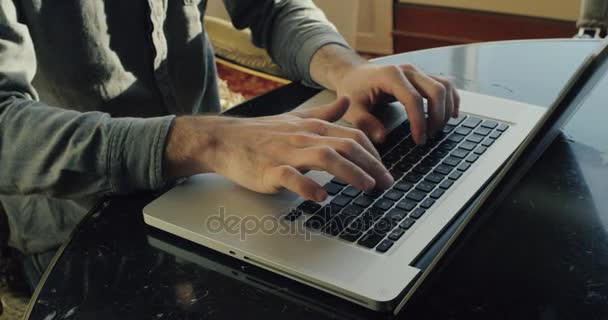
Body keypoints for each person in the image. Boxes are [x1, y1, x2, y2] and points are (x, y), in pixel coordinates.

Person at [0, 0, 459, 290]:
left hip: (222, 178)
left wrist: (344, 68)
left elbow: (272, 7)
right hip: (80, 225)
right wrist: (209, 139)